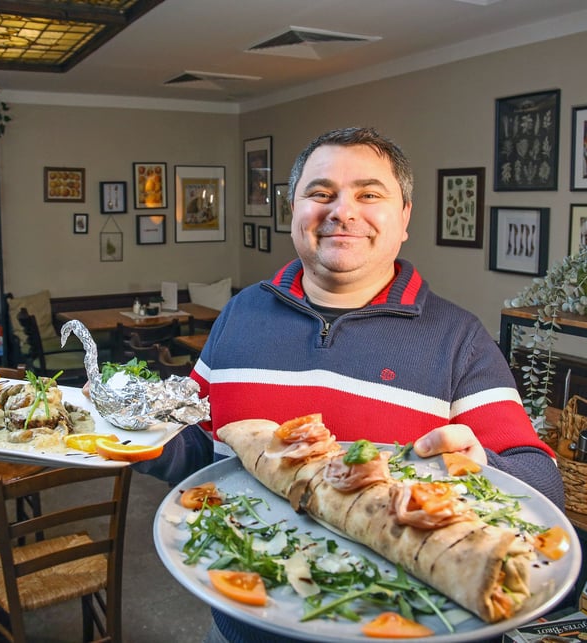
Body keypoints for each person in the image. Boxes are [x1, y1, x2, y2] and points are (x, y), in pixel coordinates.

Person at [135, 127, 563, 642]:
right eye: (320, 194)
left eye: (369, 194)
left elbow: (545, 487)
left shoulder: (459, 338)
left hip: (406, 628)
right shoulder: (241, 313)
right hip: (242, 626)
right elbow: (203, 450)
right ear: (292, 211)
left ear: (403, 217)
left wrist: (481, 467)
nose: (342, 211)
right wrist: (133, 437)